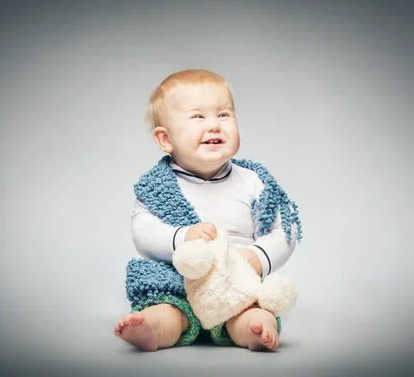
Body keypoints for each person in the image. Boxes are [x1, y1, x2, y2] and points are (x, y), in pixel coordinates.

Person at [114, 69, 302, 351]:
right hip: (179, 282)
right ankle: (152, 328)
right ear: (165, 139)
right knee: (167, 310)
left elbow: (285, 230)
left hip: (235, 284)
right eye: (198, 117)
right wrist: (183, 237)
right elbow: (143, 233)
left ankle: (255, 331)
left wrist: (257, 258)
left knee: (253, 311)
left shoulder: (253, 181)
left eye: (224, 114)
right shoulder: (157, 187)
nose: (214, 125)